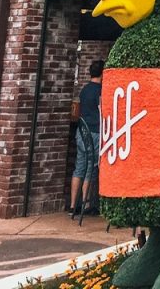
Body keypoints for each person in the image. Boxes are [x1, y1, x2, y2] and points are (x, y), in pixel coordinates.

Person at [69, 59, 103, 215]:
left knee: (79, 167)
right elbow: (102, 111)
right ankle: (86, 204)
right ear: (102, 73)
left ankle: (72, 205)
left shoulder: (84, 90)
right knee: (91, 167)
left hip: (81, 131)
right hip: (94, 132)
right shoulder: (99, 91)